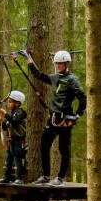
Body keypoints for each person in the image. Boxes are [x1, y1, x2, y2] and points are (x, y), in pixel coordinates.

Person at [20, 50, 86, 186]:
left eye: (60, 64)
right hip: (53, 118)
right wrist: (28, 59)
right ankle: (45, 176)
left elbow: (82, 97)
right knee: (44, 146)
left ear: (66, 64)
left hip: (65, 119)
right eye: (56, 64)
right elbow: (39, 75)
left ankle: (60, 178)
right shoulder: (55, 78)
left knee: (63, 149)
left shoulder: (72, 80)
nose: (58, 66)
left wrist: (77, 115)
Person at [0, 90, 28, 184]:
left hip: (19, 141)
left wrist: (5, 114)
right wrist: (2, 120)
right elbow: (6, 127)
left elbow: (14, 121)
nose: (8, 104)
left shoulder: (20, 113)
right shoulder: (11, 114)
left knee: (18, 159)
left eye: (10, 102)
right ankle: (7, 177)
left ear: (17, 103)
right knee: (9, 159)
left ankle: (19, 178)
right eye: (8, 102)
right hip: (12, 141)